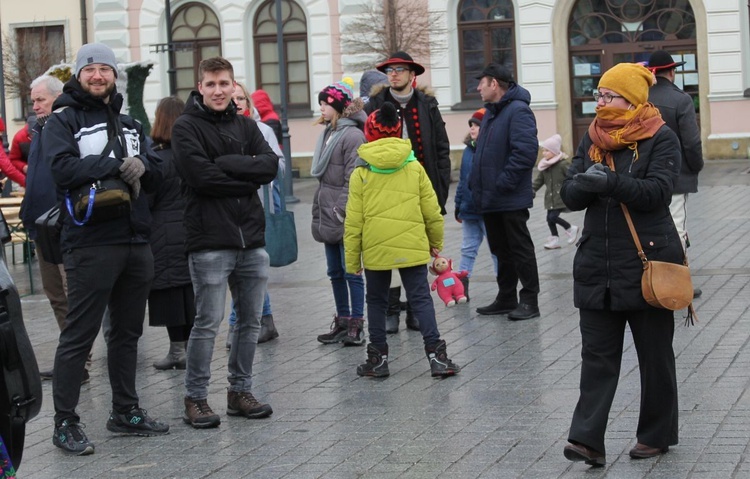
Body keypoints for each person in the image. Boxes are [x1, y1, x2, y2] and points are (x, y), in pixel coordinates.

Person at [43, 43, 168, 455]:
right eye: (90, 69)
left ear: (114, 75)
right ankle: (65, 423)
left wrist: (145, 167)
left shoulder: (131, 123)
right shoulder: (64, 119)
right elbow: (61, 169)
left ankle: (125, 411)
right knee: (78, 336)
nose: (98, 76)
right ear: (79, 75)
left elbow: (159, 176)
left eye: (105, 69)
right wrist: (115, 165)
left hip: (135, 240)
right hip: (89, 242)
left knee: (127, 334)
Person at [560, 62, 683, 467]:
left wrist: (611, 183)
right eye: (598, 94)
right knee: (597, 357)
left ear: (632, 100)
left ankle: (656, 434)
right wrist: (580, 184)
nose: (601, 102)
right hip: (597, 264)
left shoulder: (661, 137)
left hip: (648, 261)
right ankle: (587, 440)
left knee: (654, 356)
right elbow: (570, 193)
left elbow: (657, 193)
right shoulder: (592, 136)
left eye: (609, 95)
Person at [171, 57, 278, 429]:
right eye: (211, 84)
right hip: (209, 240)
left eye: (225, 83)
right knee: (208, 322)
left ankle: (239, 392)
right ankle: (196, 398)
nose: (218, 90)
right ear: (200, 87)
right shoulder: (185, 126)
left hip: (251, 237)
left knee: (249, 321)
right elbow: (200, 178)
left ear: (235, 86)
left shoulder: (247, 125)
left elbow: (270, 166)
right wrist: (245, 177)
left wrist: (228, 163)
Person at [345, 102, 460, 378]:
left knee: (376, 301)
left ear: (369, 134)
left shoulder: (361, 172)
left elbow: (353, 221)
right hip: (412, 244)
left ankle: (378, 359)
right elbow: (431, 209)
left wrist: (352, 259)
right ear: (398, 132)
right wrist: (436, 242)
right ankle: (437, 356)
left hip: (375, 248)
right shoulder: (414, 167)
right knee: (421, 299)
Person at [365, 51, 451, 333]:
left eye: (400, 70)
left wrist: (439, 194)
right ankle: (391, 309)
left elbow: (441, 149)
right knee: (387, 250)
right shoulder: (377, 104)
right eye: (390, 70)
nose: (394, 74)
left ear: (412, 75)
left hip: (419, 189)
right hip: (384, 191)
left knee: (419, 251)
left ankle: (415, 310)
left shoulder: (427, 104)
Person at [471, 63, 541, 320]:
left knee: (520, 248)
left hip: (508, 196)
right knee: (500, 249)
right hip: (490, 196)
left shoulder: (518, 111)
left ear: (495, 84)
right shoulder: (491, 112)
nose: (478, 87)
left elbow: (524, 154)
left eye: (482, 82)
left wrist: (503, 183)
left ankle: (530, 300)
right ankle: (506, 297)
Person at [18, 75, 72, 380]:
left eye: (40, 99)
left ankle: (77, 359)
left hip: (61, 224)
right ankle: (73, 357)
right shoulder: (38, 129)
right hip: (40, 225)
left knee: (70, 293)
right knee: (55, 295)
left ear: (57, 97)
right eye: (33, 100)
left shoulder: (64, 126)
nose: (35, 105)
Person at [225, 82, 282, 346]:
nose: (236, 103)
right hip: (227, 209)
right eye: (231, 98)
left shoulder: (262, 130)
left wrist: (248, 166)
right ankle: (264, 319)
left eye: (240, 98)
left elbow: (277, 165)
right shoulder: (219, 130)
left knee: (251, 266)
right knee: (243, 268)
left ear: (248, 102)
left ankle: (237, 324)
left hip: (257, 207)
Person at [311, 78, 367, 347]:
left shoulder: (353, 135)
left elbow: (352, 178)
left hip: (342, 214)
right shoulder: (327, 133)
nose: (321, 107)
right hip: (327, 211)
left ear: (339, 105)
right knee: (334, 271)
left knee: (351, 271)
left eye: (326, 103)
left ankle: (357, 322)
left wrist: (340, 210)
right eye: (320, 103)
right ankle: (343, 320)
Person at [647, 50, 704, 297]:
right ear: (672, 71)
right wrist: (696, 166)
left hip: (644, 176)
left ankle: (648, 278)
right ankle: (675, 285)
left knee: (649, 227)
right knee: (676, 227)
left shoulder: (640, 98)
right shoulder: (681, 100)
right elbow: (691, 142)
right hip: (676, 176)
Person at [147, 96, 193, 370]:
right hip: (190, 230)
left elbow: (148, 200)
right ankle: (187, 348)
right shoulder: (190, 156)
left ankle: (177, 350)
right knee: (188, 291)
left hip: (162, 233)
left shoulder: (156, 159)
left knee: (170, 293)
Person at [454, 107, 497, 300]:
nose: (472, 128)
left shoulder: (491, 148)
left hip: (488, 209)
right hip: (469, 209)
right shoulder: (468, 151)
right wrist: (458, 205)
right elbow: (463, 182)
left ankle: (504, 287)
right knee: (467, 248)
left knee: (496, 249)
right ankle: (462, 287)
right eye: (471, 125)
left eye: (476, 125)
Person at [532, 134, 579, 250]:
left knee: (553, 217)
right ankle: (554, 239)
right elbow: (539, 181)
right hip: (550, 198)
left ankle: (570, 228)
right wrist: (531, 190)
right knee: (549, 219)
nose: (544, 153)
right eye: (543, 151)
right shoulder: (545, 166)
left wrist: (574, 189)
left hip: (560, 197)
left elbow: (572, 176)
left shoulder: (563, 164)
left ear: (554, 151)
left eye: (547, 151)